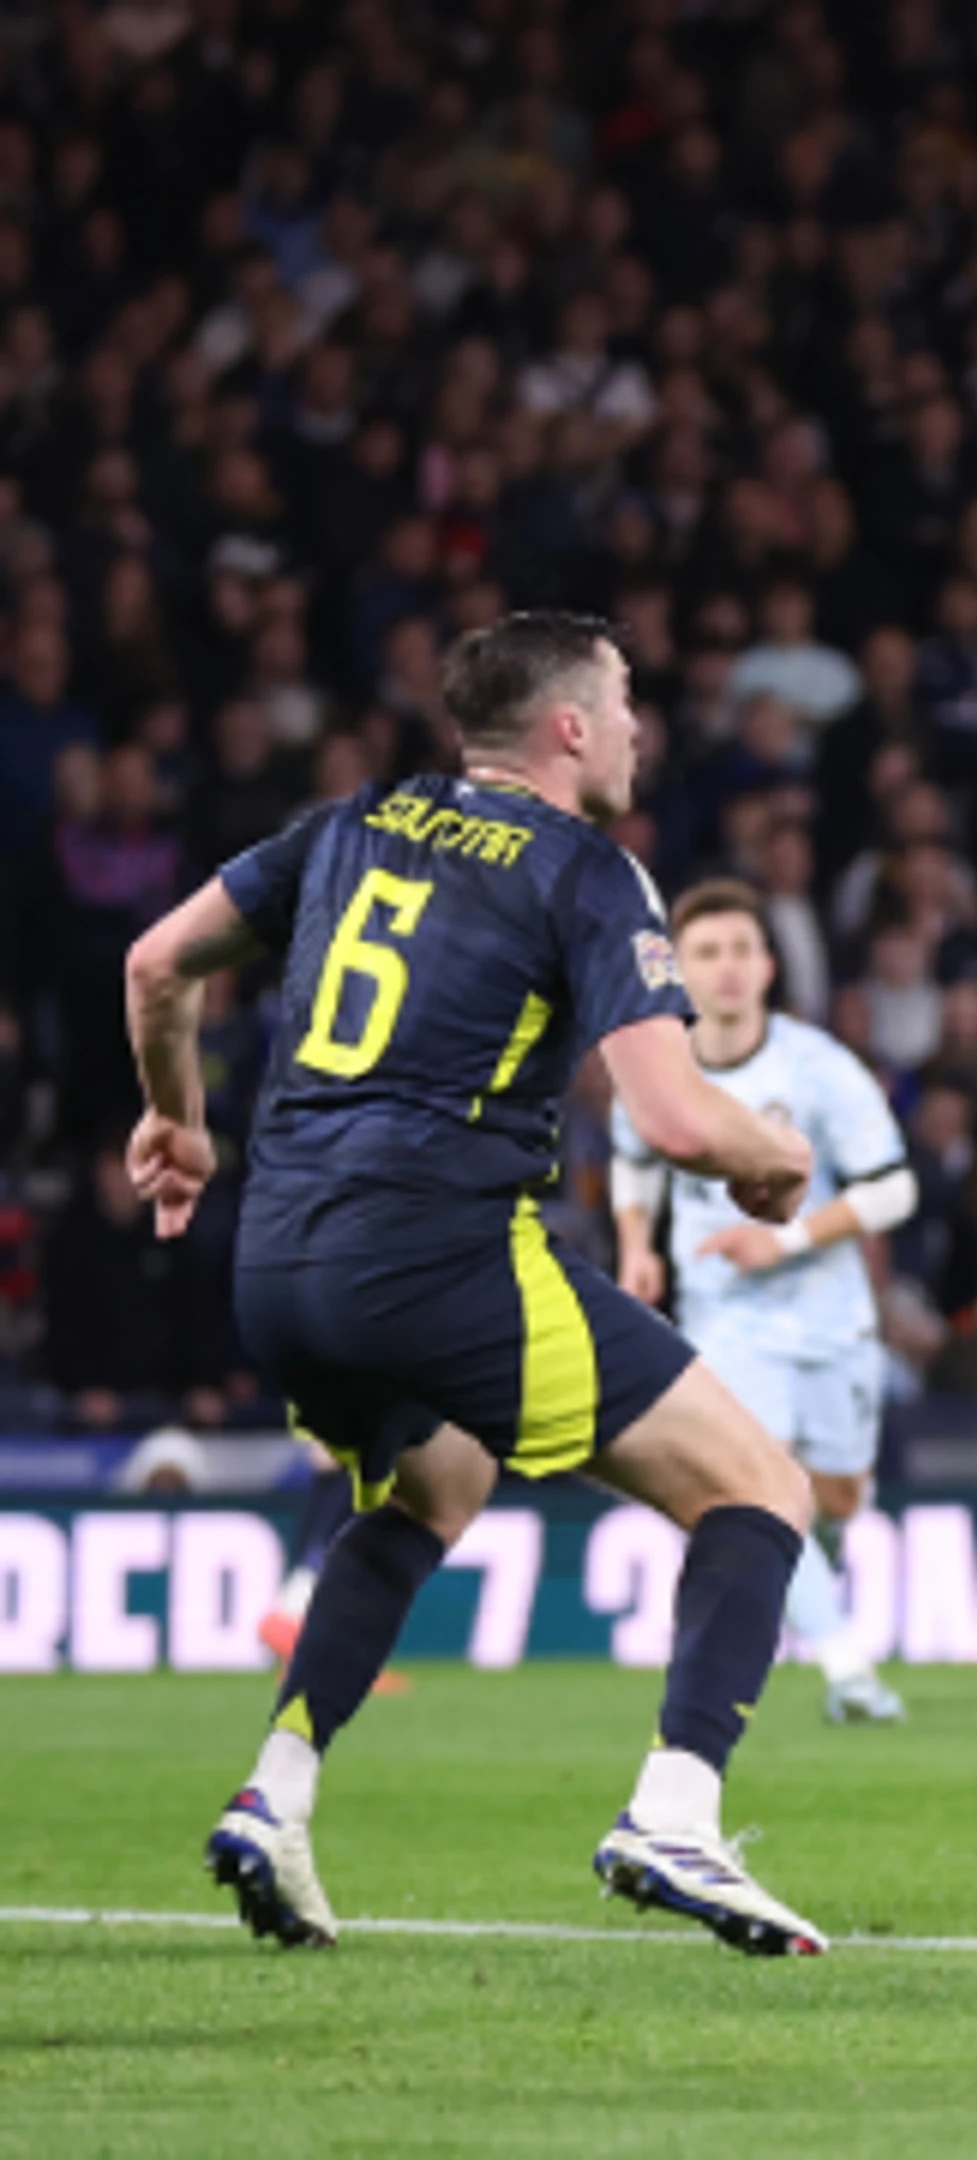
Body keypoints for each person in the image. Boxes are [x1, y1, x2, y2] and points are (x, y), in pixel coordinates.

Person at [125, 612, 831, 1955]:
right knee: (759, 1489)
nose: (637, 725)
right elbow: (678, 1122)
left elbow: (156, 963)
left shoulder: (349, 824)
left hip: (276, 1259)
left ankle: (275, 1793)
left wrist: (179, 1120)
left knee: (434, 1485)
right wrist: (774, 1156)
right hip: (435, 1249)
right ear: (568, 727)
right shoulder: (589, 870)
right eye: (623, 699)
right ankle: (675, 1812)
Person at [609, 878, 918, 1728]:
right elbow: (633, 1157)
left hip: (833, 1322)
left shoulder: (818, 1067)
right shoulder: (655, 1062)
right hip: (727, 1319)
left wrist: (780, 1240)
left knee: (838, 1500)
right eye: (708, 952)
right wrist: (637, 1246)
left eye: (743, 949)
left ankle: (814, 1578)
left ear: (770, 965)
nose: (729, 969)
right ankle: (850, 1670)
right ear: (677, 967)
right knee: (763, 1484)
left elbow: (893, 1192)